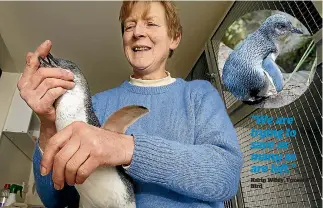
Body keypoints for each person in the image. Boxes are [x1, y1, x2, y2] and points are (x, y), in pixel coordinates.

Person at [18, 1, 243, 207]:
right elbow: (55, 199)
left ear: (174, 37)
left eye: (151, 24)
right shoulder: (96, 105)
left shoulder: (199, 95)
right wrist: (48, 124)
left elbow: (226, 176)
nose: (138, 32)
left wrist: (124, 148)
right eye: (129, 26)